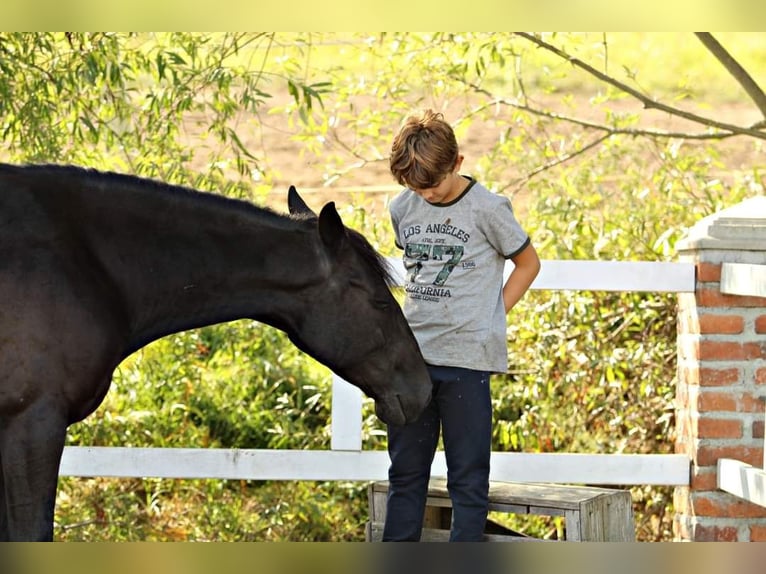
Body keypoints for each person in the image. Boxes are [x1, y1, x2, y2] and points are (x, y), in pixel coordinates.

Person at [383, 109, 541, 542]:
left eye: (433, 184)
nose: (427, 195)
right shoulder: (402, 207)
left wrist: (494, 314)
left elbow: (528, 263)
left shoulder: (488, 209)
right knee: (405, 475)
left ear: (457, 163)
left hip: (467, 362)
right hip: (411, 360)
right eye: (417, 187)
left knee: (467, 479)